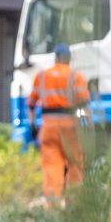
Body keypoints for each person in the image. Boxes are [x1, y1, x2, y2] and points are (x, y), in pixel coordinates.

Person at [31, 45, 90, 200]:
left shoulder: (41, 76)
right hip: (70, 127)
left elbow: (31, 105)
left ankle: (53, 208)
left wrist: (33, 127)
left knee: (52, 168)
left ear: (56, 58)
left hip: (49, 127)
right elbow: (83, 105)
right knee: (75, 165)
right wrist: (88, 127)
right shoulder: (76, 76)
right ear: (69, 59)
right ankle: (74, 204)